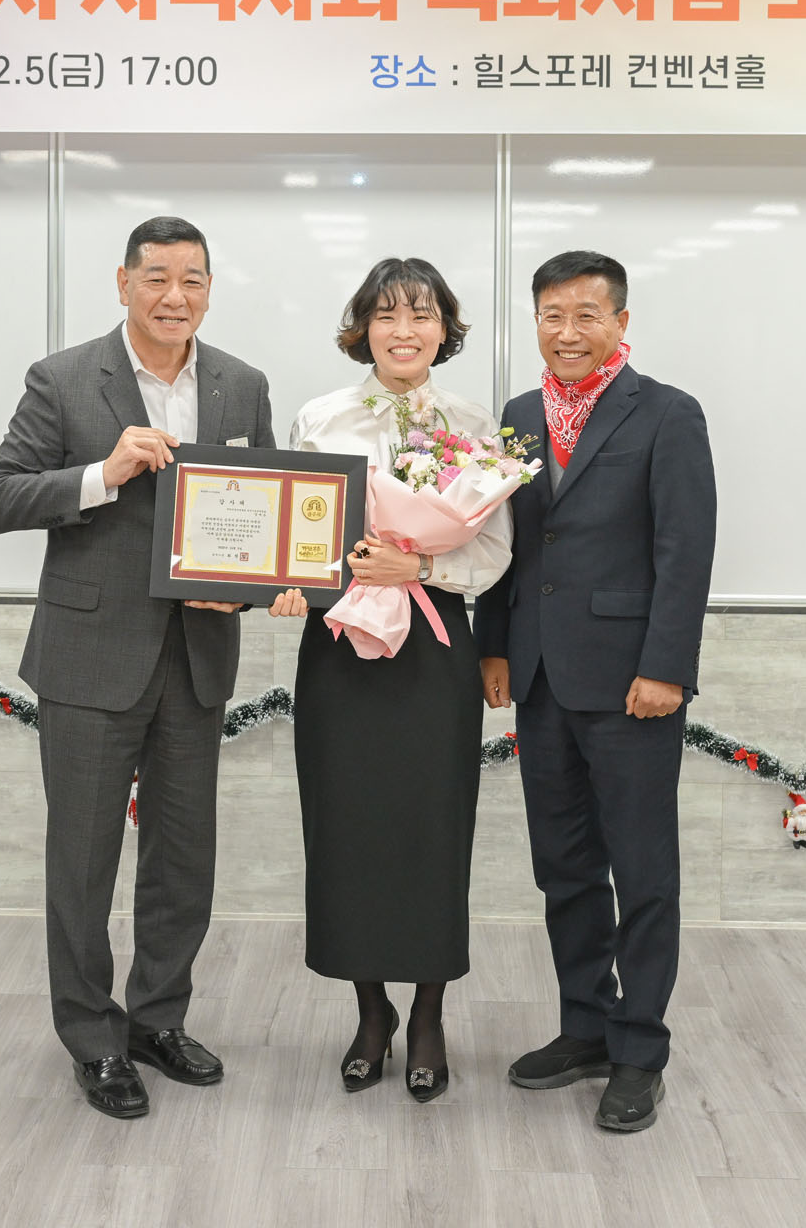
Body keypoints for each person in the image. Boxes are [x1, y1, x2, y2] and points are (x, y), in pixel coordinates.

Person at [0, 215, 275, 1120]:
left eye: (192, 279)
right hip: (89, 657)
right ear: (123, 283)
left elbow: (264, 521)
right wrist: (101, 474)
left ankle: (157, 1020)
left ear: (210, 289)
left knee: (184, 860)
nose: (174, 296)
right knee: (82, 860)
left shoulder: (241, 385)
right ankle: (93, 1039)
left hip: (196, 659)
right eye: (156, 278)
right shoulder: (64, 378)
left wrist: (246, 593)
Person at [473, 249, 717, 1134]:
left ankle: (639, 1049)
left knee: (642, 870)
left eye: (586, 315)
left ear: (620, 322)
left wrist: (667, 667)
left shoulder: (668, 413)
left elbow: (685, 551)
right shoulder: (518, 415)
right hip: (540, 674)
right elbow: (505, 543)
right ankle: (584, 1027)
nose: (568, 332)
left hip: (631, 682)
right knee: (565, 867)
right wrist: (493, 648)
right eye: (552, 316)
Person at [268, 257, 512, 1104]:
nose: (403, 331)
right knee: (347, 828)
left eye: (421, 315)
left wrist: (422, 564)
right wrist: (296, 579)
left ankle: (430, 1013)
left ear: (445, 329)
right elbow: (295, 534)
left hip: (435, 648)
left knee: (433, 830)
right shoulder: (320, 418)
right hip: (341, 648)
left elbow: (495, 550)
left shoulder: (475, 425)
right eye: (385, 315)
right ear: (362, 329)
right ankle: (371, 1012)